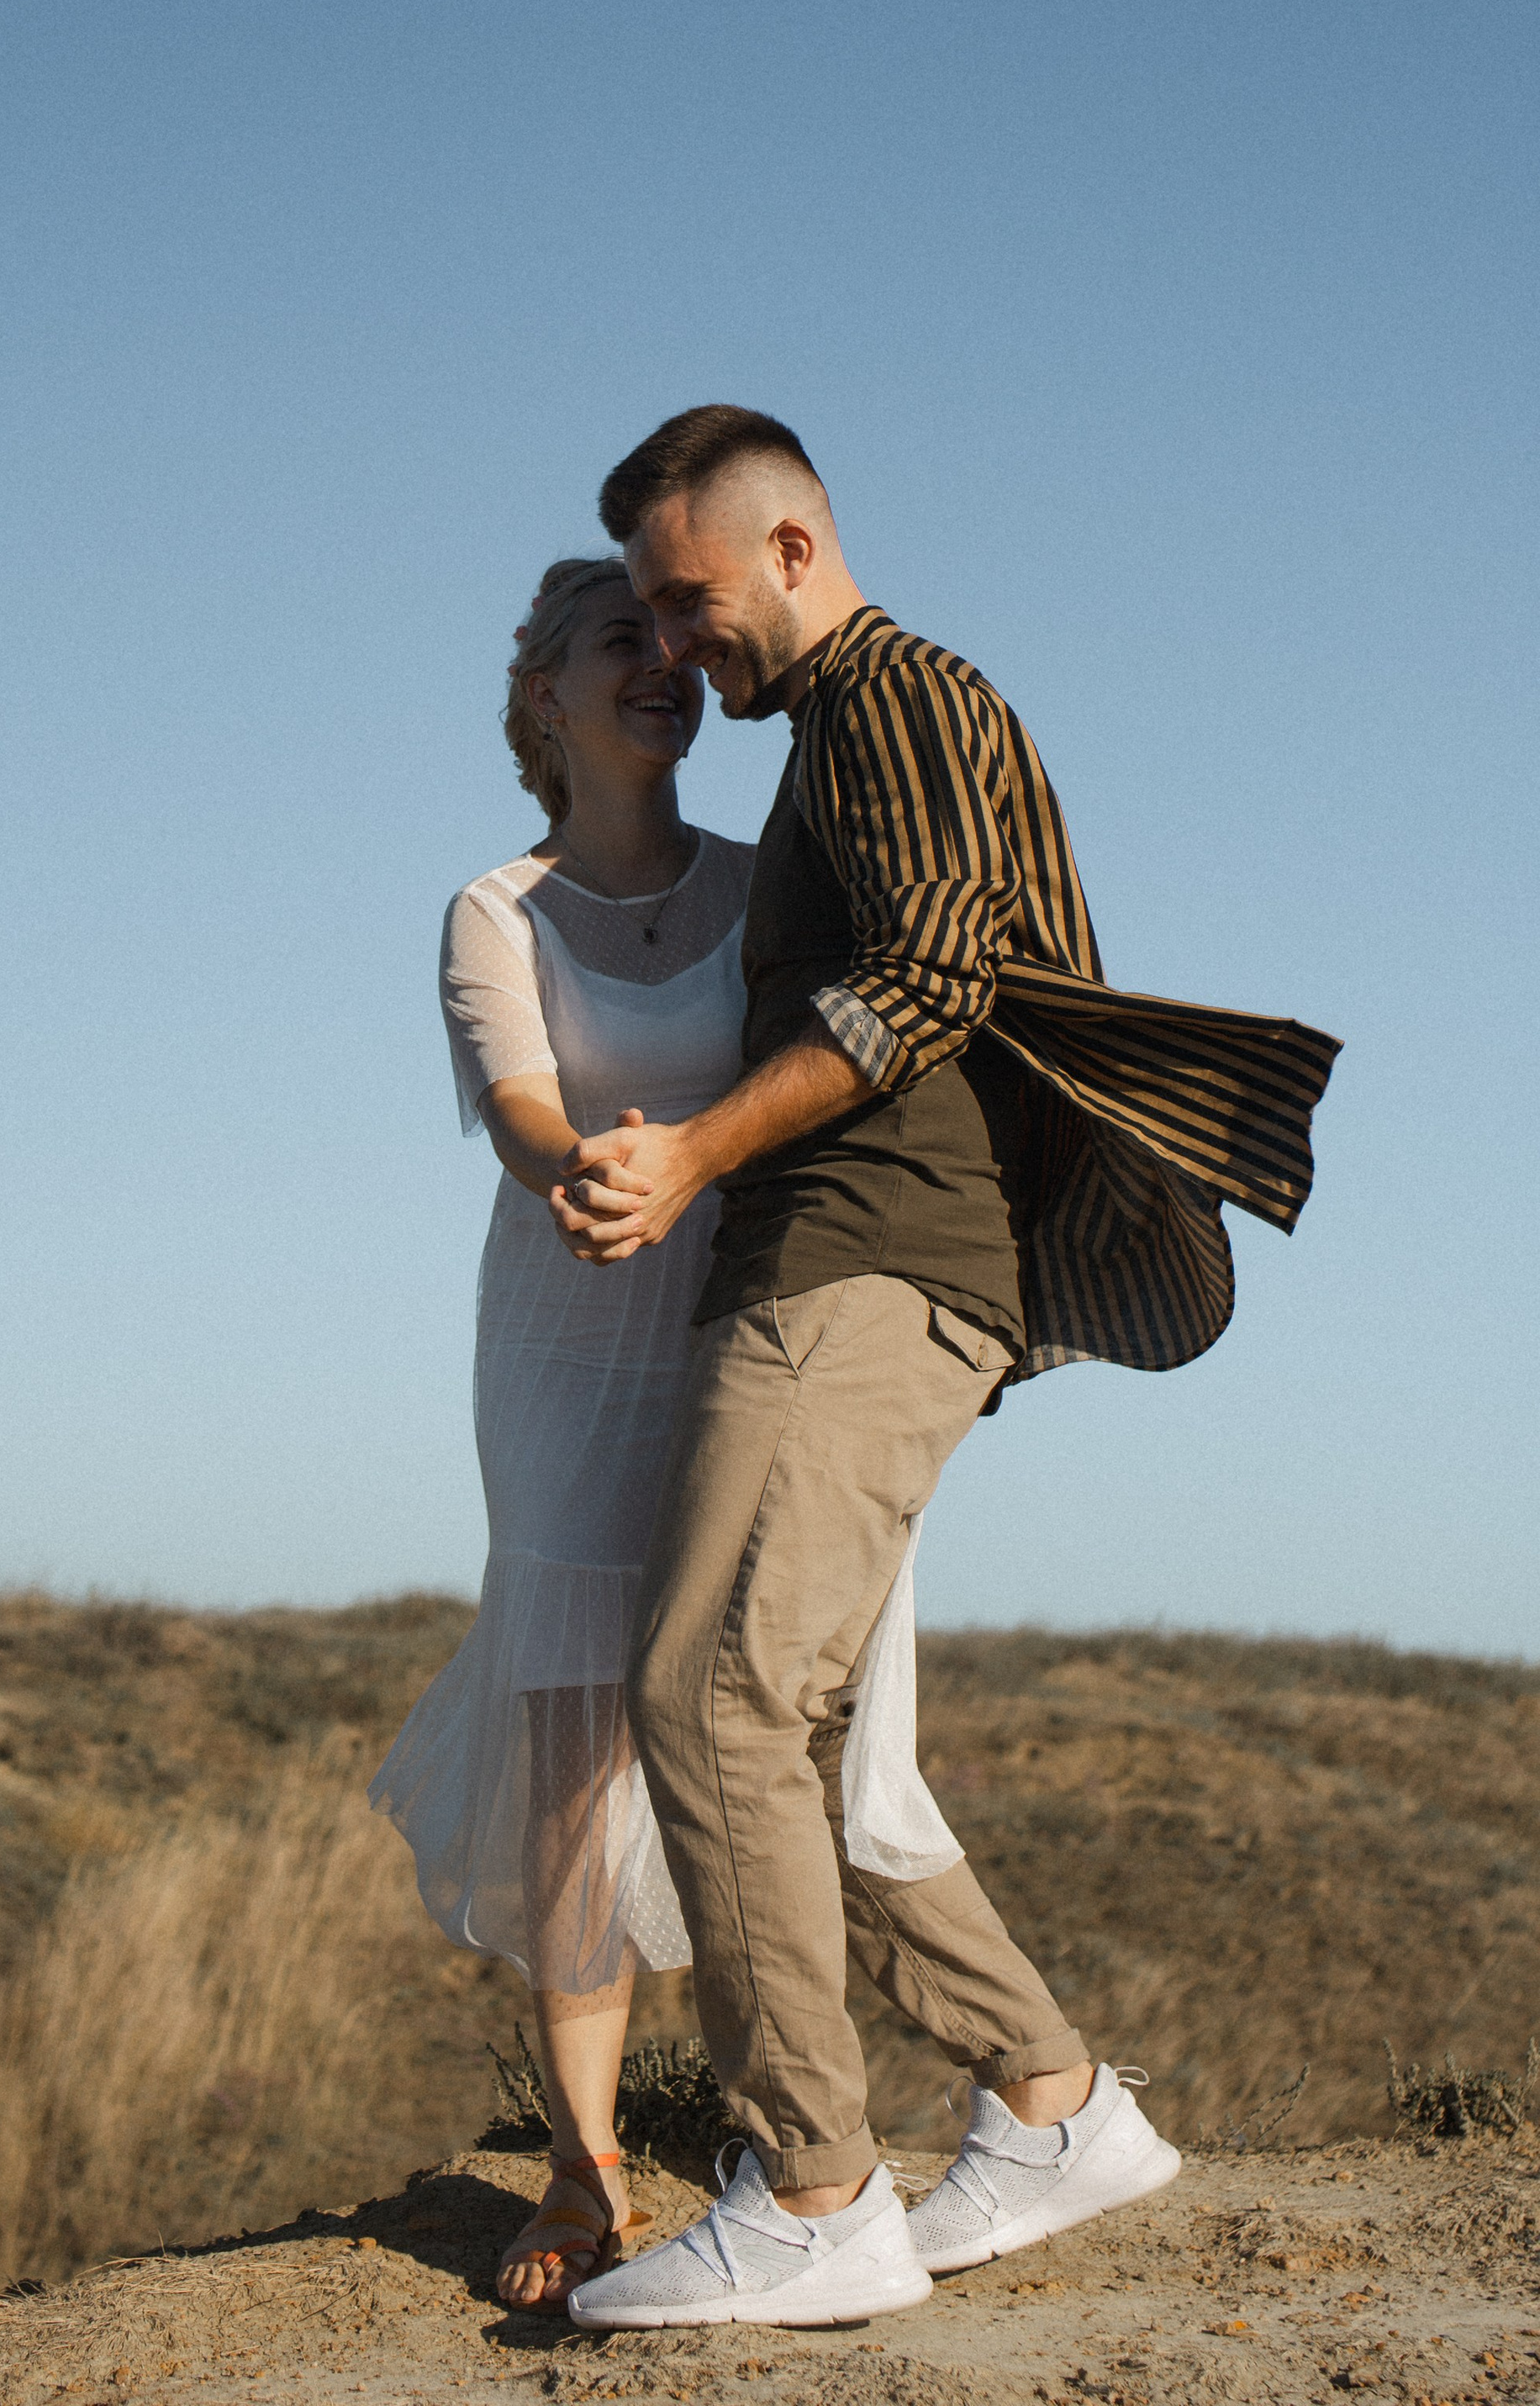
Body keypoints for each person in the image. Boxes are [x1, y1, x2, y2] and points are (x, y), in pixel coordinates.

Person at [556, 406, 1339, 2336]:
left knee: (707, 1697)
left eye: (689, 600)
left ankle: (814, 2194)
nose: (672, 648)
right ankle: (1052, 2103)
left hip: (861, 1260)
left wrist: (694, 1154)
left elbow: (927, 978)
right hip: (859, 1272)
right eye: (645, 620)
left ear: (794, 548)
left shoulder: (897, 696)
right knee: (799, 1733)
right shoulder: (839, 732)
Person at [369, 557, 755, 2308]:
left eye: (676, 640)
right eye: (623, 640)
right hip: (562, 1341)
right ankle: (583, 2166)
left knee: (764, 1711)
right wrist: (590, 1171)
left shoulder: (772, 886)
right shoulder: (490, 907)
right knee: (572, 1748)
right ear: (543, 695)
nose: (662, 665)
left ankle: (784, 2124)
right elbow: (518, 1102)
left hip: (750, 1335)